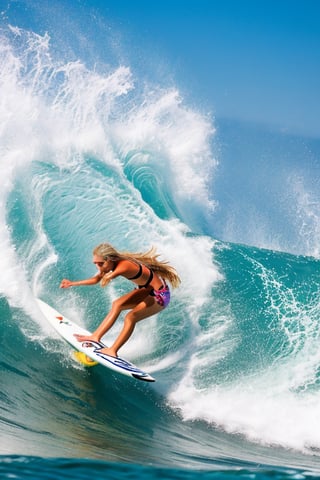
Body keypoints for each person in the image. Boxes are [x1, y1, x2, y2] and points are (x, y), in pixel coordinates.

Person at [60, 243, 181, 358]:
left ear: (110, 259)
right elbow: (97, 279)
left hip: (160, 295)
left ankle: (113, 351)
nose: (98, 267)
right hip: (146, 290)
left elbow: (110, 276)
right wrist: (72, 283)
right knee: (117, 304)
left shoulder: (124, 265)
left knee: (130, 317)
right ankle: (95, 336)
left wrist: (108, 276)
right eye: (95, 264)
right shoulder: (110, 264)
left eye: (100, 264)